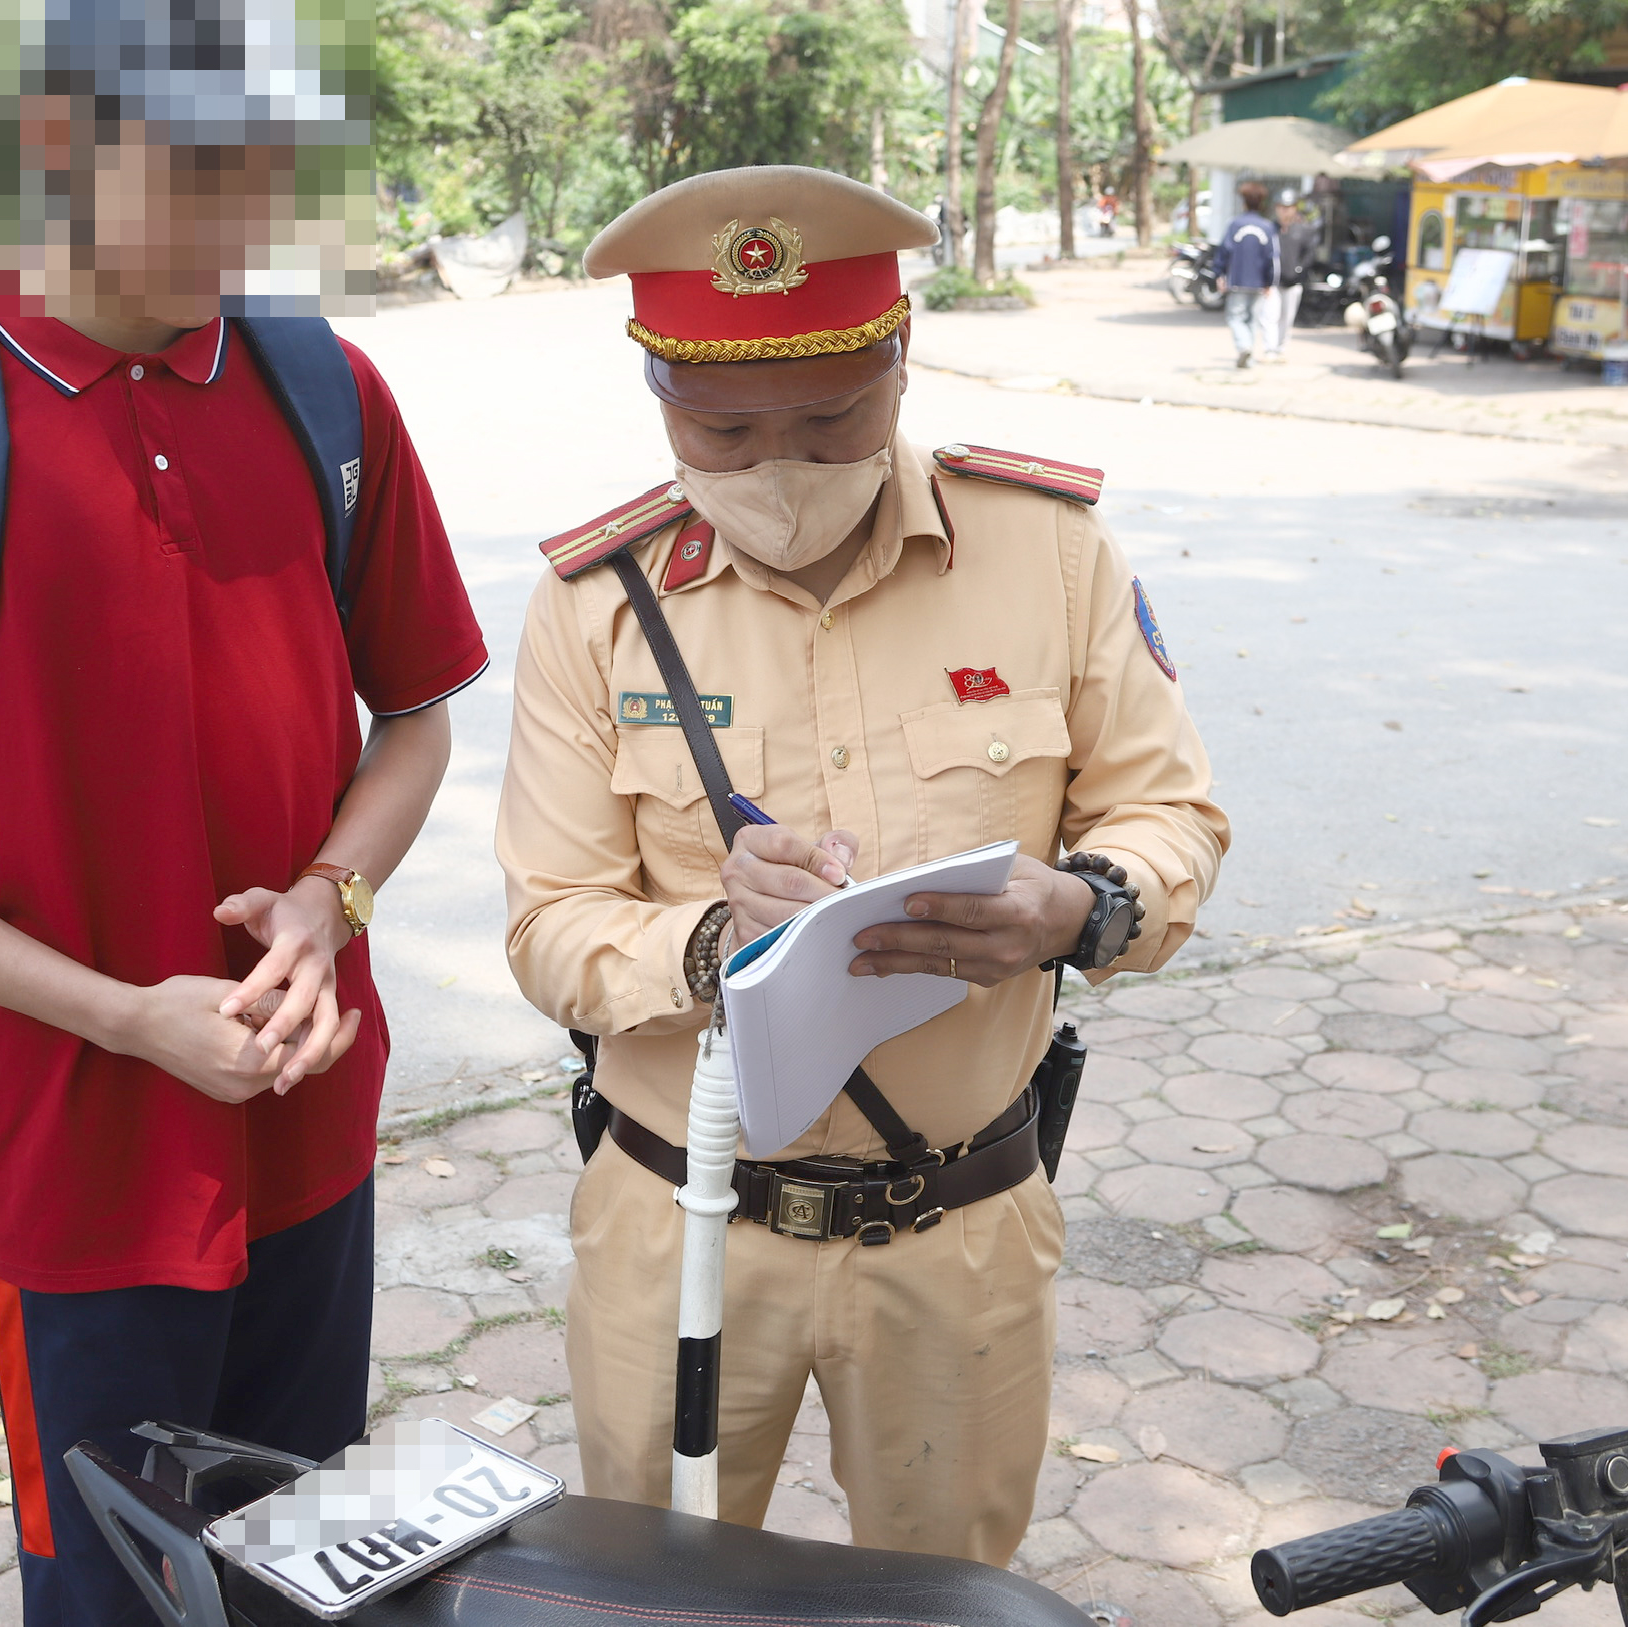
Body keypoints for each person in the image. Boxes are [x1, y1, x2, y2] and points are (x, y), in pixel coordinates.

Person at [0, 0, 487, 1624]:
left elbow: (416, 714)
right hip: (76, 1162)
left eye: (268, 168)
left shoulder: (323, 391)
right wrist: (118, 1011)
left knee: (303, 1573)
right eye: (202, 171)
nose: (245, 219)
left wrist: (328, 896)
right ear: (58, 142)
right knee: (124, 1593)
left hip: (310, 1114)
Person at [495, 165, 1228, 1566]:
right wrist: (710, 943)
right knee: (654, 1596)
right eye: (723, 428)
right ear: (658, 395)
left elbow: (1171, 820)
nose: (780, 464)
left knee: (948, 1595)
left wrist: (1073, 907)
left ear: (900, 359)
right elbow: (548, 923)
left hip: (956, 1226)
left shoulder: (1049, 552)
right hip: (681, 1222)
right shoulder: (595, 604)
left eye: (830, 418)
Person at [1218, 179, 1278, 369]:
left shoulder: (1235, 224)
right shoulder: (1267, 227)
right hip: (1259, 282)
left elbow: (1224, 251)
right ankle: (1249, 356)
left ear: (1243, 202)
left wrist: (1219, 274)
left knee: (1235, 317)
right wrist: (1269, 282)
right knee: (1253, 320)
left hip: (1237, 280)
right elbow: (1272, 257)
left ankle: (1244, 347)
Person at [1265, 197, 1321, 362]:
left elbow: (1309, 254)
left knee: (1286, 318)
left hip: (1293, 282)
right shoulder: (1271, 229)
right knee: (1270, 316)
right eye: (1281, 207)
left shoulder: (1303, 230)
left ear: (1295, 208)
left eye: (1288, 207)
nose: (1284, 211)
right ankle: (1269, 349)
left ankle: (1280, 348)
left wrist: (1299, 270)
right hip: (1273, 282)